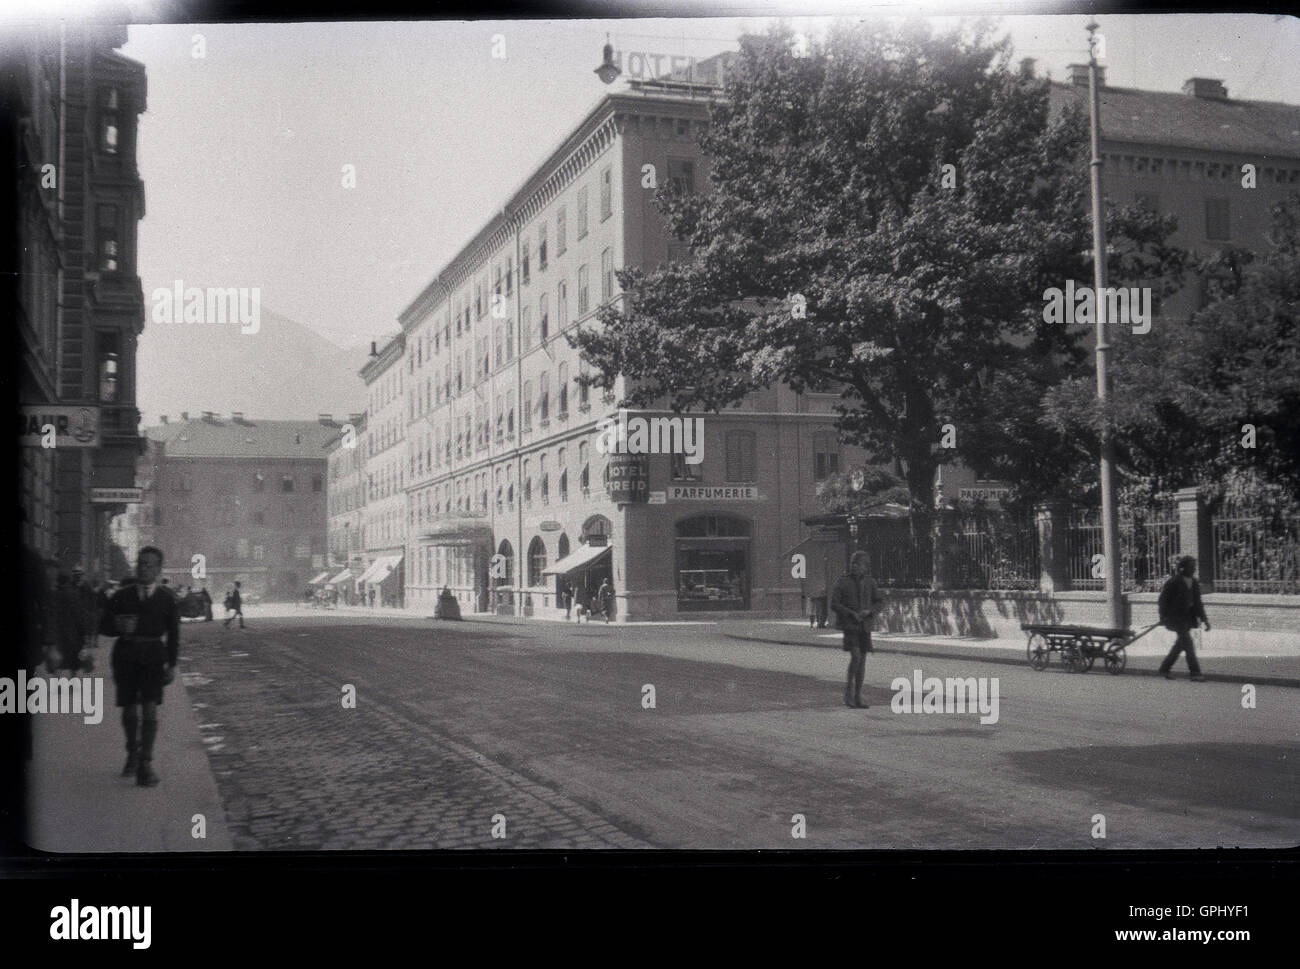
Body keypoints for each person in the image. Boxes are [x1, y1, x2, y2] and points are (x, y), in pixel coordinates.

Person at [99, 547, 180, 786]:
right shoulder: (121, 596)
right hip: (125, 656)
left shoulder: (167, 598)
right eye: (141, 563)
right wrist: (117, 626)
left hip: (154, 657)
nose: (143, 568)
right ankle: (132, 753)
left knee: (150, 709)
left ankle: (145, 763)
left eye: (149, 565)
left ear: (158, 569)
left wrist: (172, 665)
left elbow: (174, 635)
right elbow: (103, 626)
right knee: (130, 710)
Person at [830, 551, 884, 709]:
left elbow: (879, 602)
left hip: (864, 626)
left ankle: (858, 696)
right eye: (853, 563)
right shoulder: (843, 582)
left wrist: (870, 611)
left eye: (859, 564)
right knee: (856, 657)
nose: (855, 566)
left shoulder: (870, 582)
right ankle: (848, 693)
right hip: (850, 625)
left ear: (865, 567)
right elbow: (834, 603)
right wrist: (851, 613)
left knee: (862, 661)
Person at [1157, 555, 1210, 682]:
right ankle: (1195, 673)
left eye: (1194, 567)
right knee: (1188, 643)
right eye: (1191, 567)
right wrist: (1163, 616)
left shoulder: (1195, 583)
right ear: (1183, 568)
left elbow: (1198, 603)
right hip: (1175, 618)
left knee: (1181, 644)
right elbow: (1162, 600)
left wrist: (1205, 620)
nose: (1194, 569)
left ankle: (1164, 668)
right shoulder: (1173, 582)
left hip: (1188, 618)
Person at [53, 573, 86, 673]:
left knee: (58, 660)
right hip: (73, 633)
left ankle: (58, 685)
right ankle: (72, 683)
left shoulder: (53, 594)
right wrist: (83, 633)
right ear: (68, 581)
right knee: (73, 661)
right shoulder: (74, 594)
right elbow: (79, 615)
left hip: (58, 633)